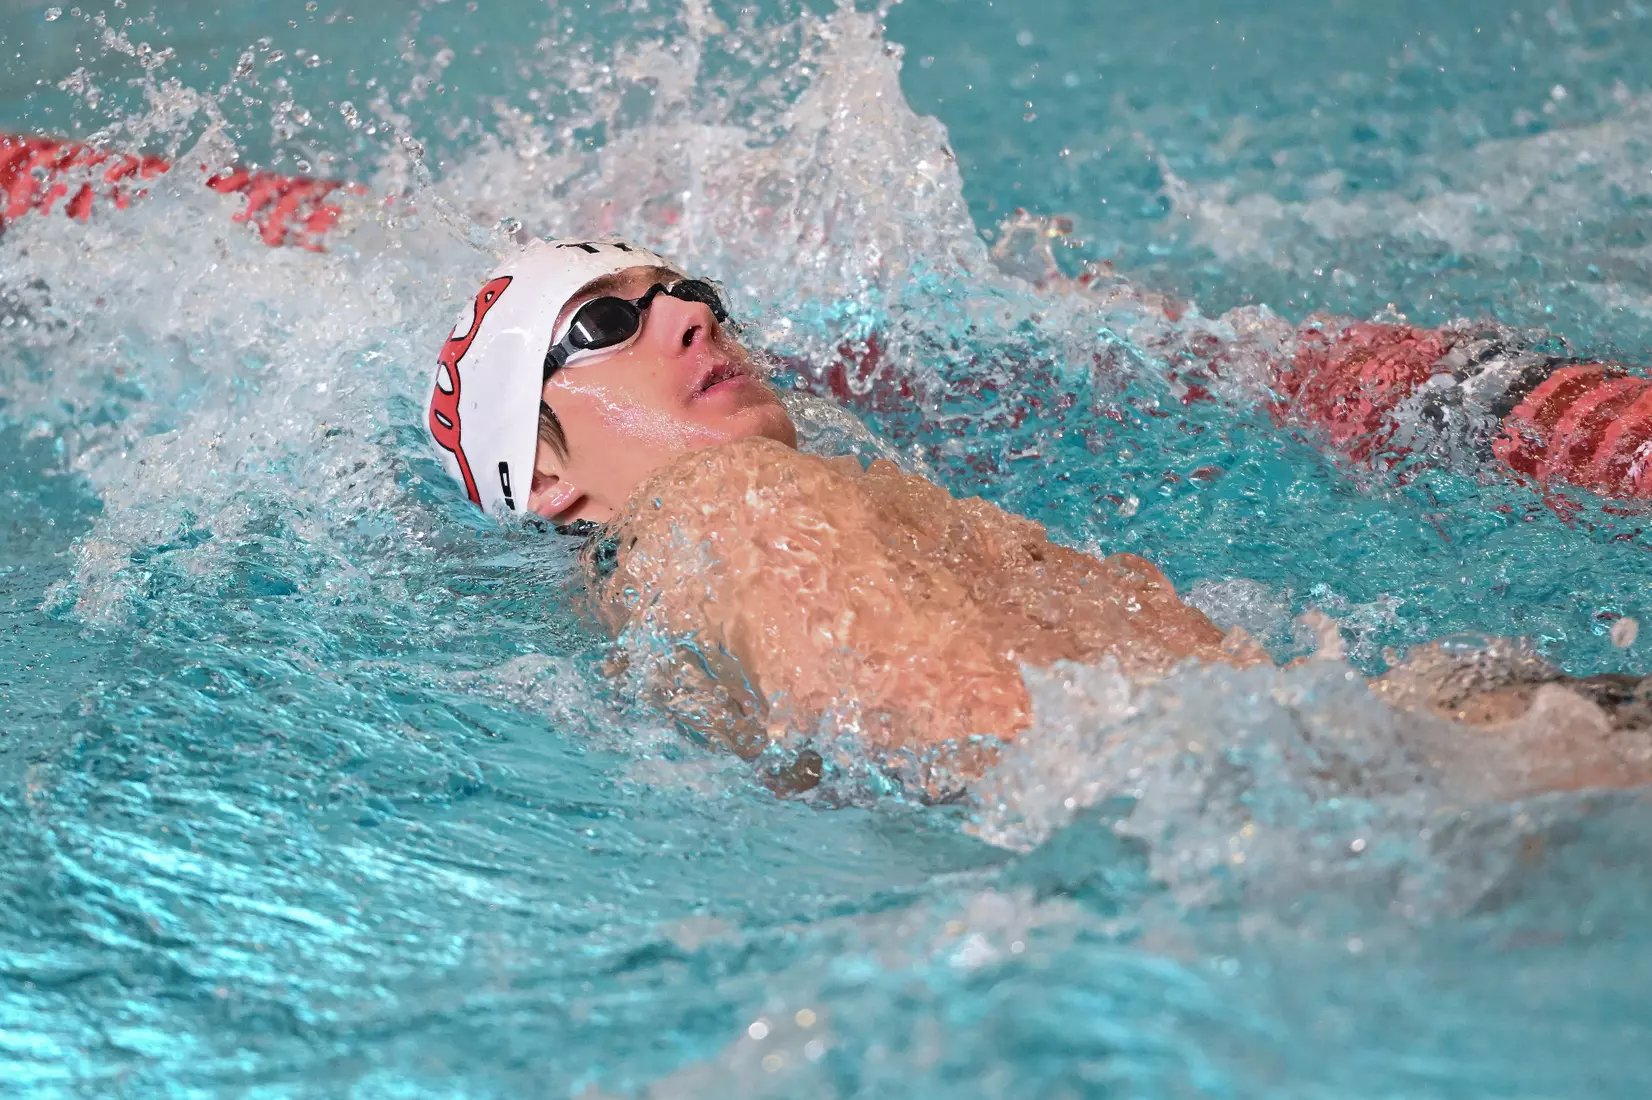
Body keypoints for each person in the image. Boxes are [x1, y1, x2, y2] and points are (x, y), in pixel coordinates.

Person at [427, 237, 1652, 798]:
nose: (690, 318)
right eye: (602, 324)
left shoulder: (652, 596)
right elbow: (962, 733)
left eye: (689, 291)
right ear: (541, 477)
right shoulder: (741, 500)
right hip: (1379, 794)